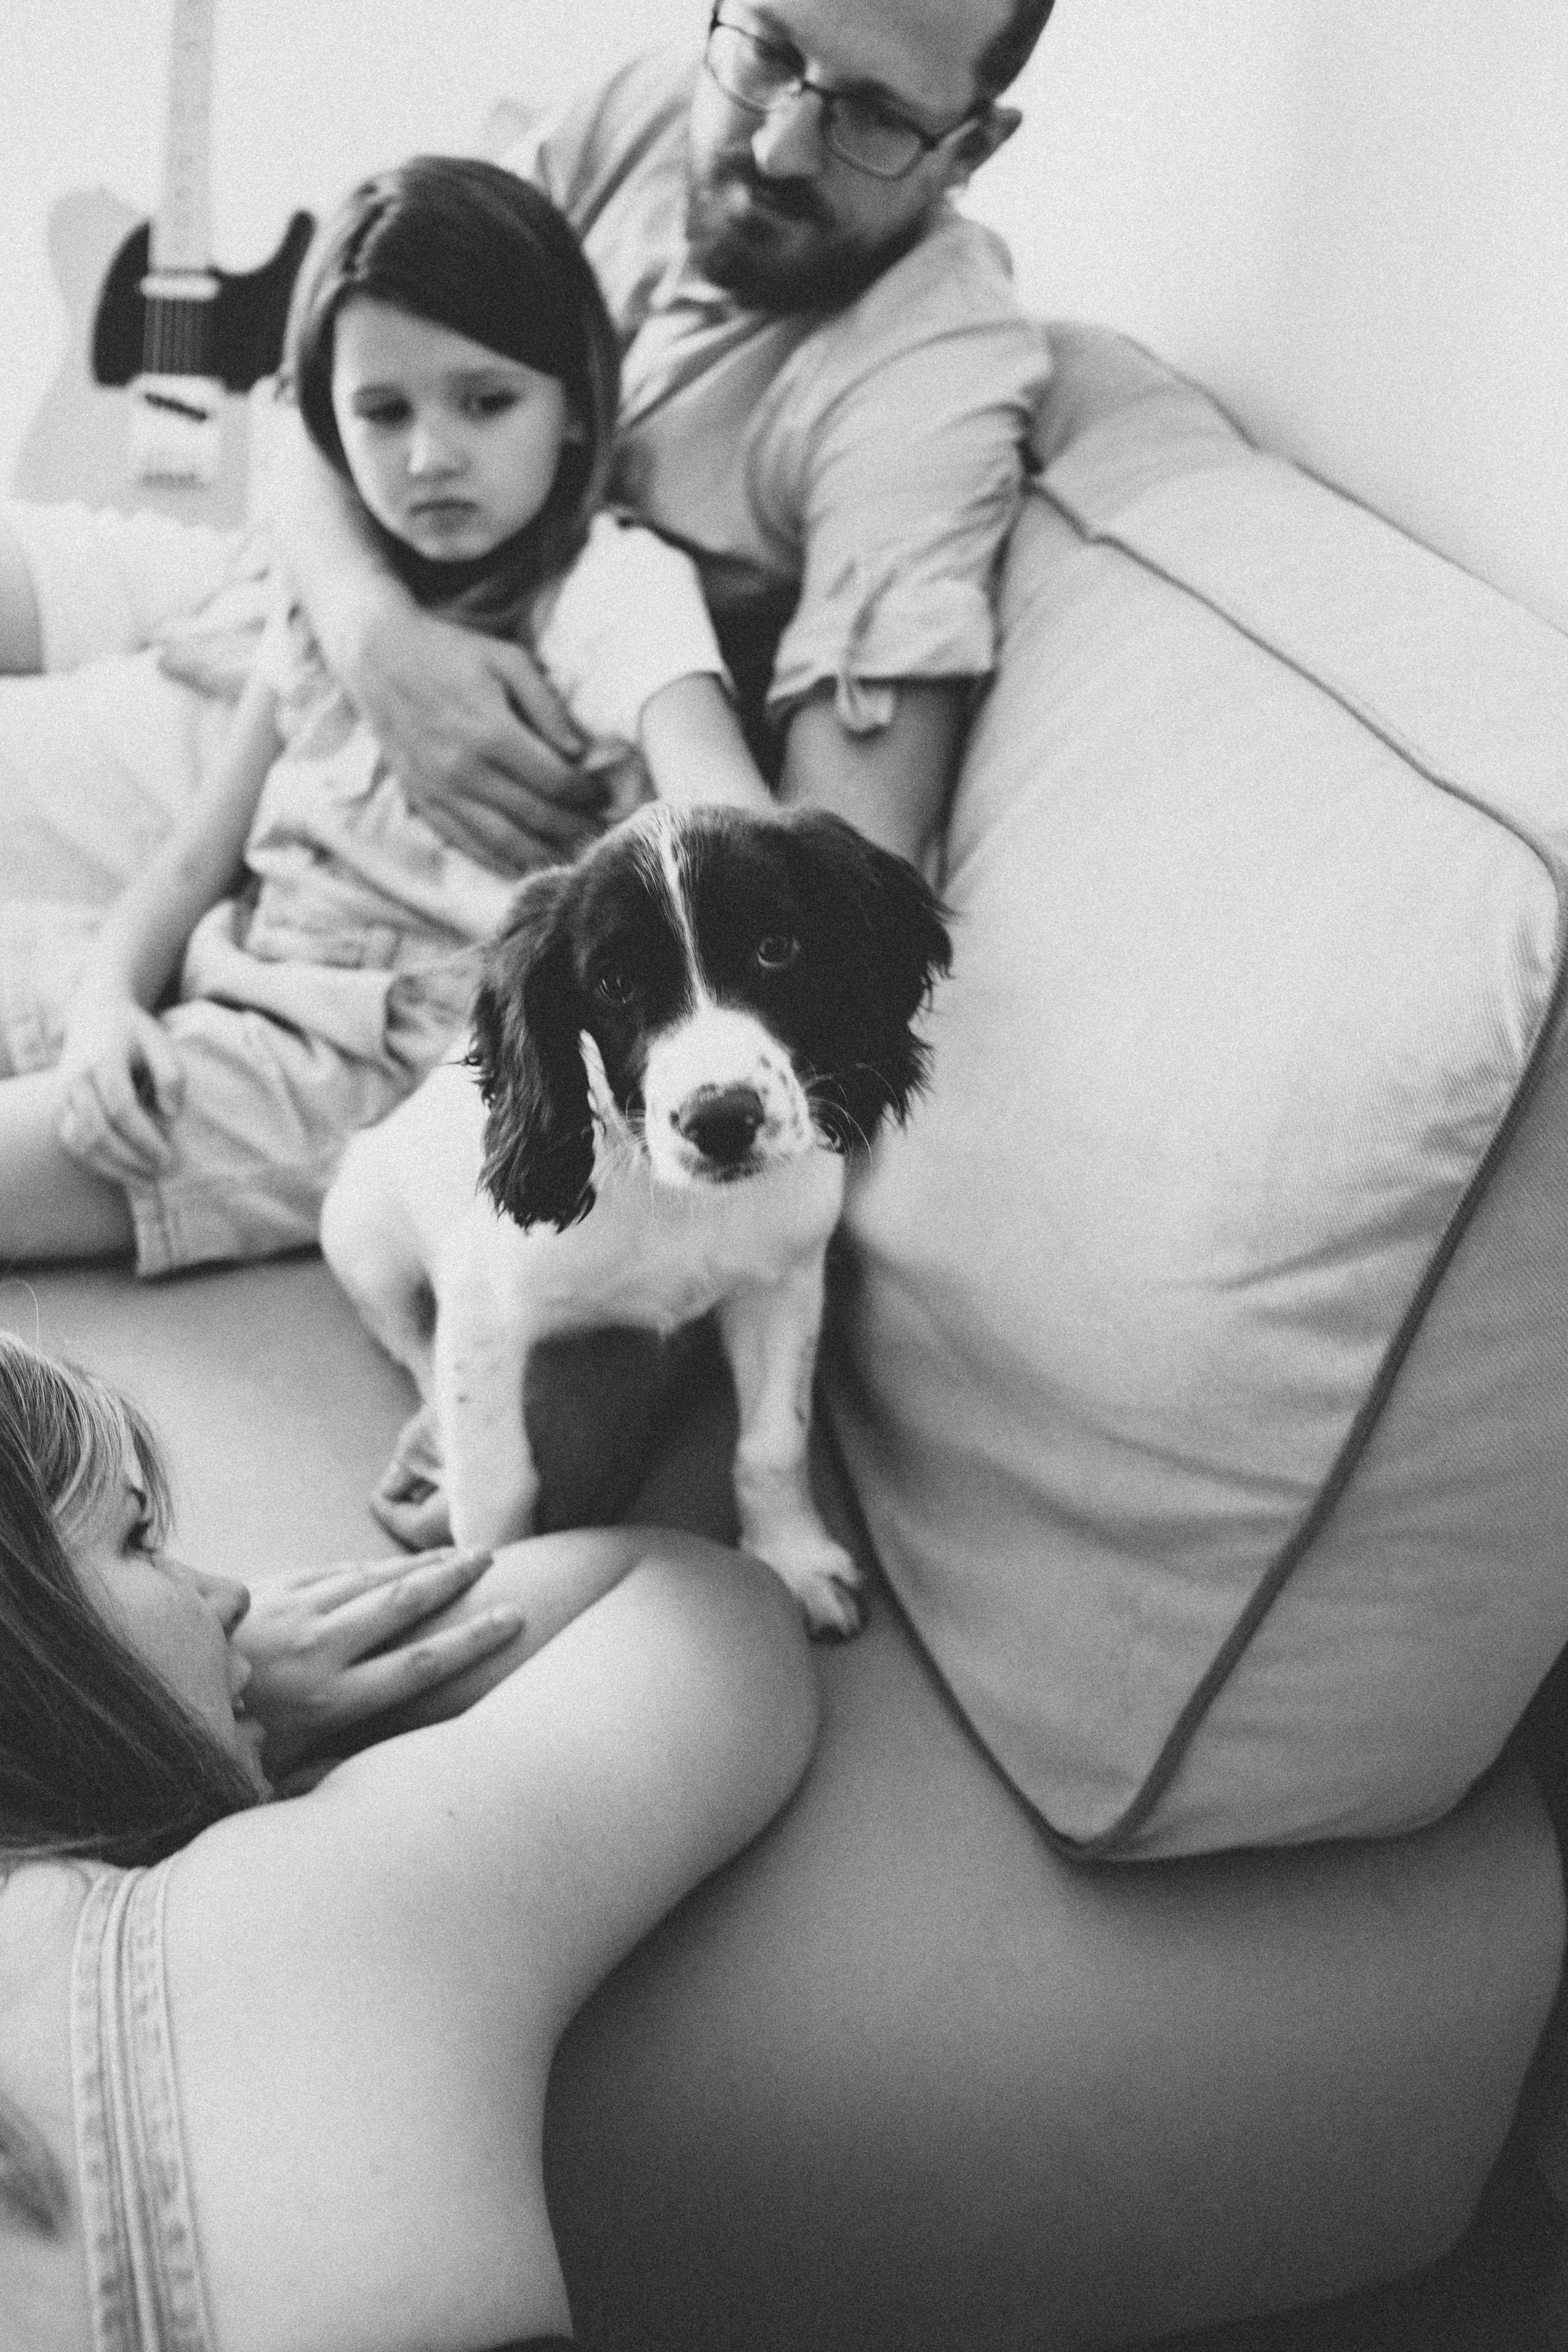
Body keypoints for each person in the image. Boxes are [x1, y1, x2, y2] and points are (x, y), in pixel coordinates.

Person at [0, 0, 1056, 894]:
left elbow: (834, 879)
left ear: (973, 146)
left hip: (384, 768)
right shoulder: (661, 107)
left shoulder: (932, 373)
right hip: (303, 585)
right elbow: (331, 383)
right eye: (772, 51)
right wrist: (374, 635)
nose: (779, 144)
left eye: (873, 116)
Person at [0, 155, 774, 1278]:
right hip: (214, 975)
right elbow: (188, 865)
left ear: (572, 408)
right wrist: (107, 1004)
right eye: (381, 411)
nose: (427, 457)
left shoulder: (613, 592)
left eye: (485, 401)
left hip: (355, 1069)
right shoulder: (330, 602)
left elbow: (734, 831)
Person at [0, 1332, 817, 2351]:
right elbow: (710, 1610)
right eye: (138, 1543)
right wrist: (203, 1688)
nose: (233, 1597)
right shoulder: (295, 1912)